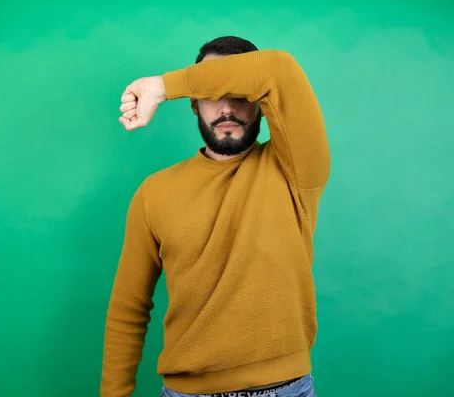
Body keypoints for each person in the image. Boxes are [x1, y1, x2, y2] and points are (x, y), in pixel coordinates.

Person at [100, 36, 330, 397]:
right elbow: (128, 307)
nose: (226, 107)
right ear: (194, 104)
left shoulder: (296, 169)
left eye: (240, 92)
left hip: (287, 389)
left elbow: (278, 69)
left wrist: (161, 87)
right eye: (212, 92)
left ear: (262, 104)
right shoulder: (154, 192)